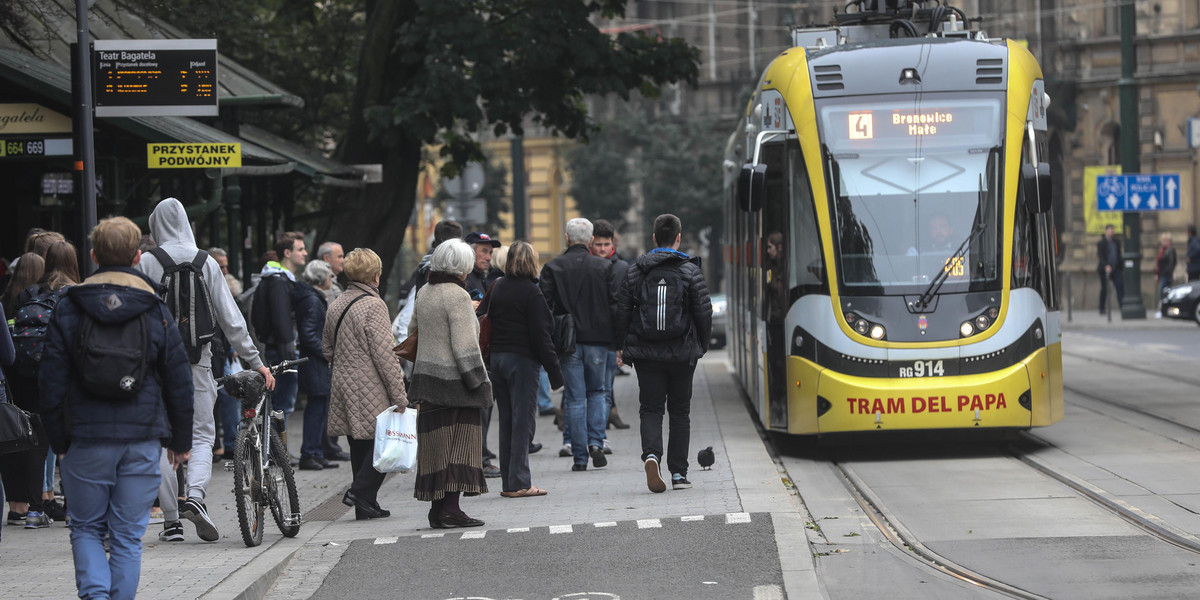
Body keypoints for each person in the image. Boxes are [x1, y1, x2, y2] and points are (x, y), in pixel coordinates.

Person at [40, 216, 194, 600]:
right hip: (140, 438)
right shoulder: (154, 308)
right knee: (127, 536)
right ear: (138, 256)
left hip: (84, 437)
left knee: (87, 528)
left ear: (93, 255)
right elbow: (178, 379)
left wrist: (59, 441)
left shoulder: (69, 307)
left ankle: (95, 596)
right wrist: (180, 439)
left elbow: (51, 381)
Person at [141, 198, 274, 543]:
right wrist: (255, 361)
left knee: (160, 438)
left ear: (156, 226)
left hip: (155, 365)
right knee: (202, 435)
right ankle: (196, 497)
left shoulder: (147, 262)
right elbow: (231, 320)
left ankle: (171, 522)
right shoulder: (207, 262)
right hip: (198, 361)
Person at [613, 213, 713, 493]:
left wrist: (620, 345)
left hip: (646, 354)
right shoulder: (689, 271)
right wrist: (702, 345)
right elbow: (703, 312)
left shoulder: (637, 270)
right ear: (678, 238)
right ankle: (679, 474)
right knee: (680, 412)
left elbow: (622, 310)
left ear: (654, 238)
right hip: (683, 353)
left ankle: (651, 456)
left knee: (651, 408)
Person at [409, 239, 492, 528]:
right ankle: (452, 510)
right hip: (457, 383)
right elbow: (465, 346)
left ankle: (437, 510)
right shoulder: (458, 296)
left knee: (435, 447)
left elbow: (412, 333)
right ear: (462, 266)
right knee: (460, 446)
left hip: (427, 381)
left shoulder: (425, 292)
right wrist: (480, 383)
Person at [324, 248, 408, 519]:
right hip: (370, 384)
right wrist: (400, 396)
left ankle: (366, 505)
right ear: (375, 275)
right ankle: (358, 492)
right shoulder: (374, 305)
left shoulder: (336, 303)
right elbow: (386, 355)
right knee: (383, 446)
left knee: (359, 445)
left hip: (342, 383)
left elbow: (327, 349)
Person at [2, 239, 79, 530]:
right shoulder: (74, 293)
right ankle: (73, 509)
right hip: (64, 375)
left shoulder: (28, 293)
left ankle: (35, 511)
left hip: (30, 374)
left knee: (36, 440)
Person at [480, 241, 563, 498]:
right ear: (531, 262)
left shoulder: (497, 286)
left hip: (498, 361)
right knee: (523, 422)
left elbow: (482, 315)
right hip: (523, 362)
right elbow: (542, 337)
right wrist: (556, 373)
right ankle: (519, 482)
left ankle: (509, 482)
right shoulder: (532, 293)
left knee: (506, 421)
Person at [540, 217, 615, 472]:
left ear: (567, 238)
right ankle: (596, 442)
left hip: (567, 342)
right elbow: (615, 304)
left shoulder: (553, 268)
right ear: (592, 240)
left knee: (574, 398)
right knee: (597, 391)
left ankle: (580, 456)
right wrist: (618, 341)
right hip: (597, 340)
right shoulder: (604, 268)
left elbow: (544, 308)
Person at [463, 231, 503, 477]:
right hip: (471, 354)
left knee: (485, 408)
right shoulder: (467, 282)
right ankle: (480, 459)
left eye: (490, 252)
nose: (488, 256)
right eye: (483, 251)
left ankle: (483, 455)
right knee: (481, 409)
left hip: (482, 353)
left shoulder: (481, 279)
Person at [293, 260, 339, 470]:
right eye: (329, 277)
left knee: (320, 409)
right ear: (321, 280)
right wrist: (326, 352)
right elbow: (308, 334)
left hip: (315, 363)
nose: (332, 280)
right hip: (315, 364)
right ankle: (310, 453)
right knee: (316, 409)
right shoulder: (312, 301)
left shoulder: (312, 298)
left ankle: (316, 452)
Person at [590, 219, 631, 435]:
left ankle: (601, 431)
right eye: (598, 245)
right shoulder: (586, 266)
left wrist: (622, 344)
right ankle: (598, 429)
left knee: (603, 387)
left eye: (606, 245)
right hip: (590, 336)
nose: (603, 249)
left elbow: (624, 307)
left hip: (609, 338)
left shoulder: (622, 267)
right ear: (591, 243)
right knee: (593, 389)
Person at [1097, 224, 1124, 315]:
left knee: (1119, 286)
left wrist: (1121, 268)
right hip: (1105, 269)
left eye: (1113, 230)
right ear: (1106, 231)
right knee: (1104, 288)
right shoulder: (1101, 243)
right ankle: (1102, 308)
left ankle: (1122, 306)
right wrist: (1106, 266)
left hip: (1116, 268)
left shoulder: (1116, 242)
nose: (1112, 232)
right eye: (1110, 230)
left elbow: (1119, 255)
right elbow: (1101, 256)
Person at [1156, 232, 1177, 301]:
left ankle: (1164, 306)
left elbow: (1171, 263)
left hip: (1167, 274)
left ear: (1169, 242)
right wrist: (1157, 274)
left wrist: (1169, 274)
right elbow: (1159, 263)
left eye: (1165, 241)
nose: (1163, 243)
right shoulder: (1163, 250)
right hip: (1163, 274)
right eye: (1162, 241)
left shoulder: (1170, 250)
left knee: (1164, 291)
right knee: (1164, 291)